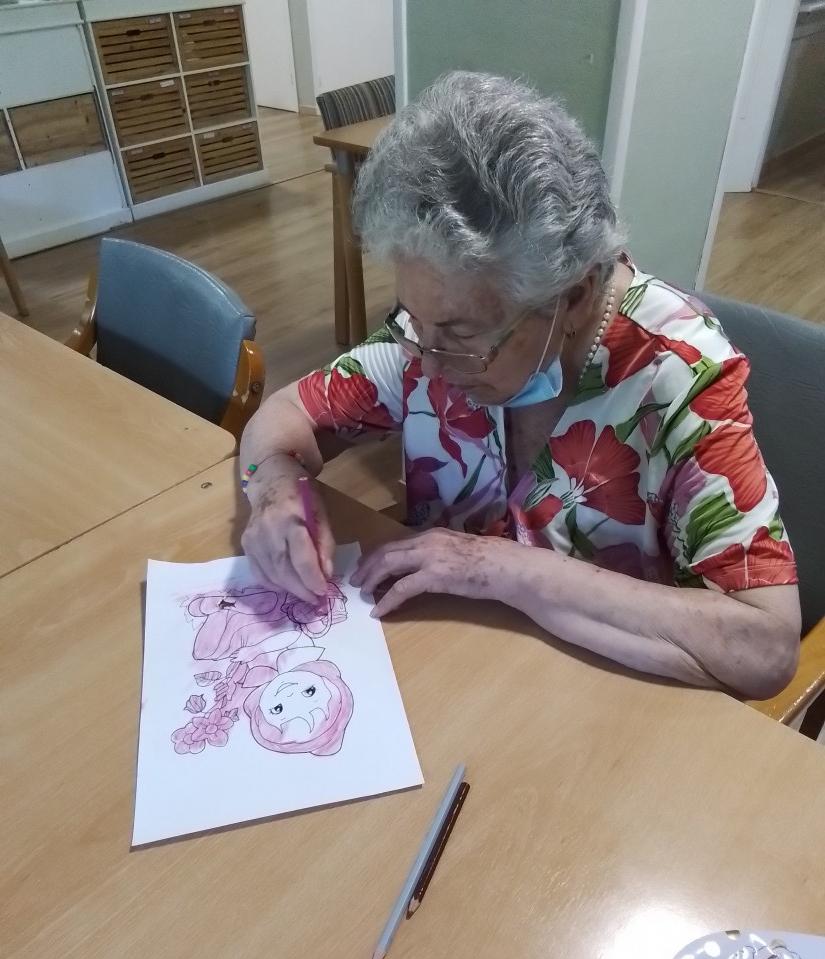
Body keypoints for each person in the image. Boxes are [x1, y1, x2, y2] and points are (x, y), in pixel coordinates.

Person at [240, 71, 800, 699]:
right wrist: (273, 494)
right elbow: (284, 418)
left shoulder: (679, 372)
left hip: (599, 702)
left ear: (574, 297)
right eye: (412, 319)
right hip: (445, 674)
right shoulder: (429, 337)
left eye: (461, 333)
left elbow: (766, 646)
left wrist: (504, 570)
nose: (426, 366)